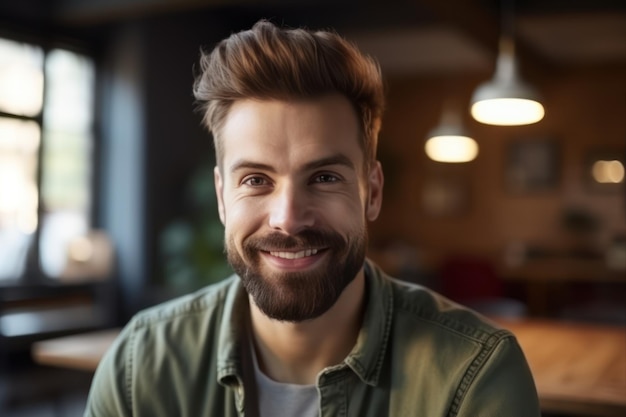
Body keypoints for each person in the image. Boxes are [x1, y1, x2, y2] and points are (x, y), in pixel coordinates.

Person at [84, 20, 540, 417]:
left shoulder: (474, 376)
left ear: (372, 193)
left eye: (323, 177)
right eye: (256, 180)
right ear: (223, 199)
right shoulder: (138, 367)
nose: (288, 219)